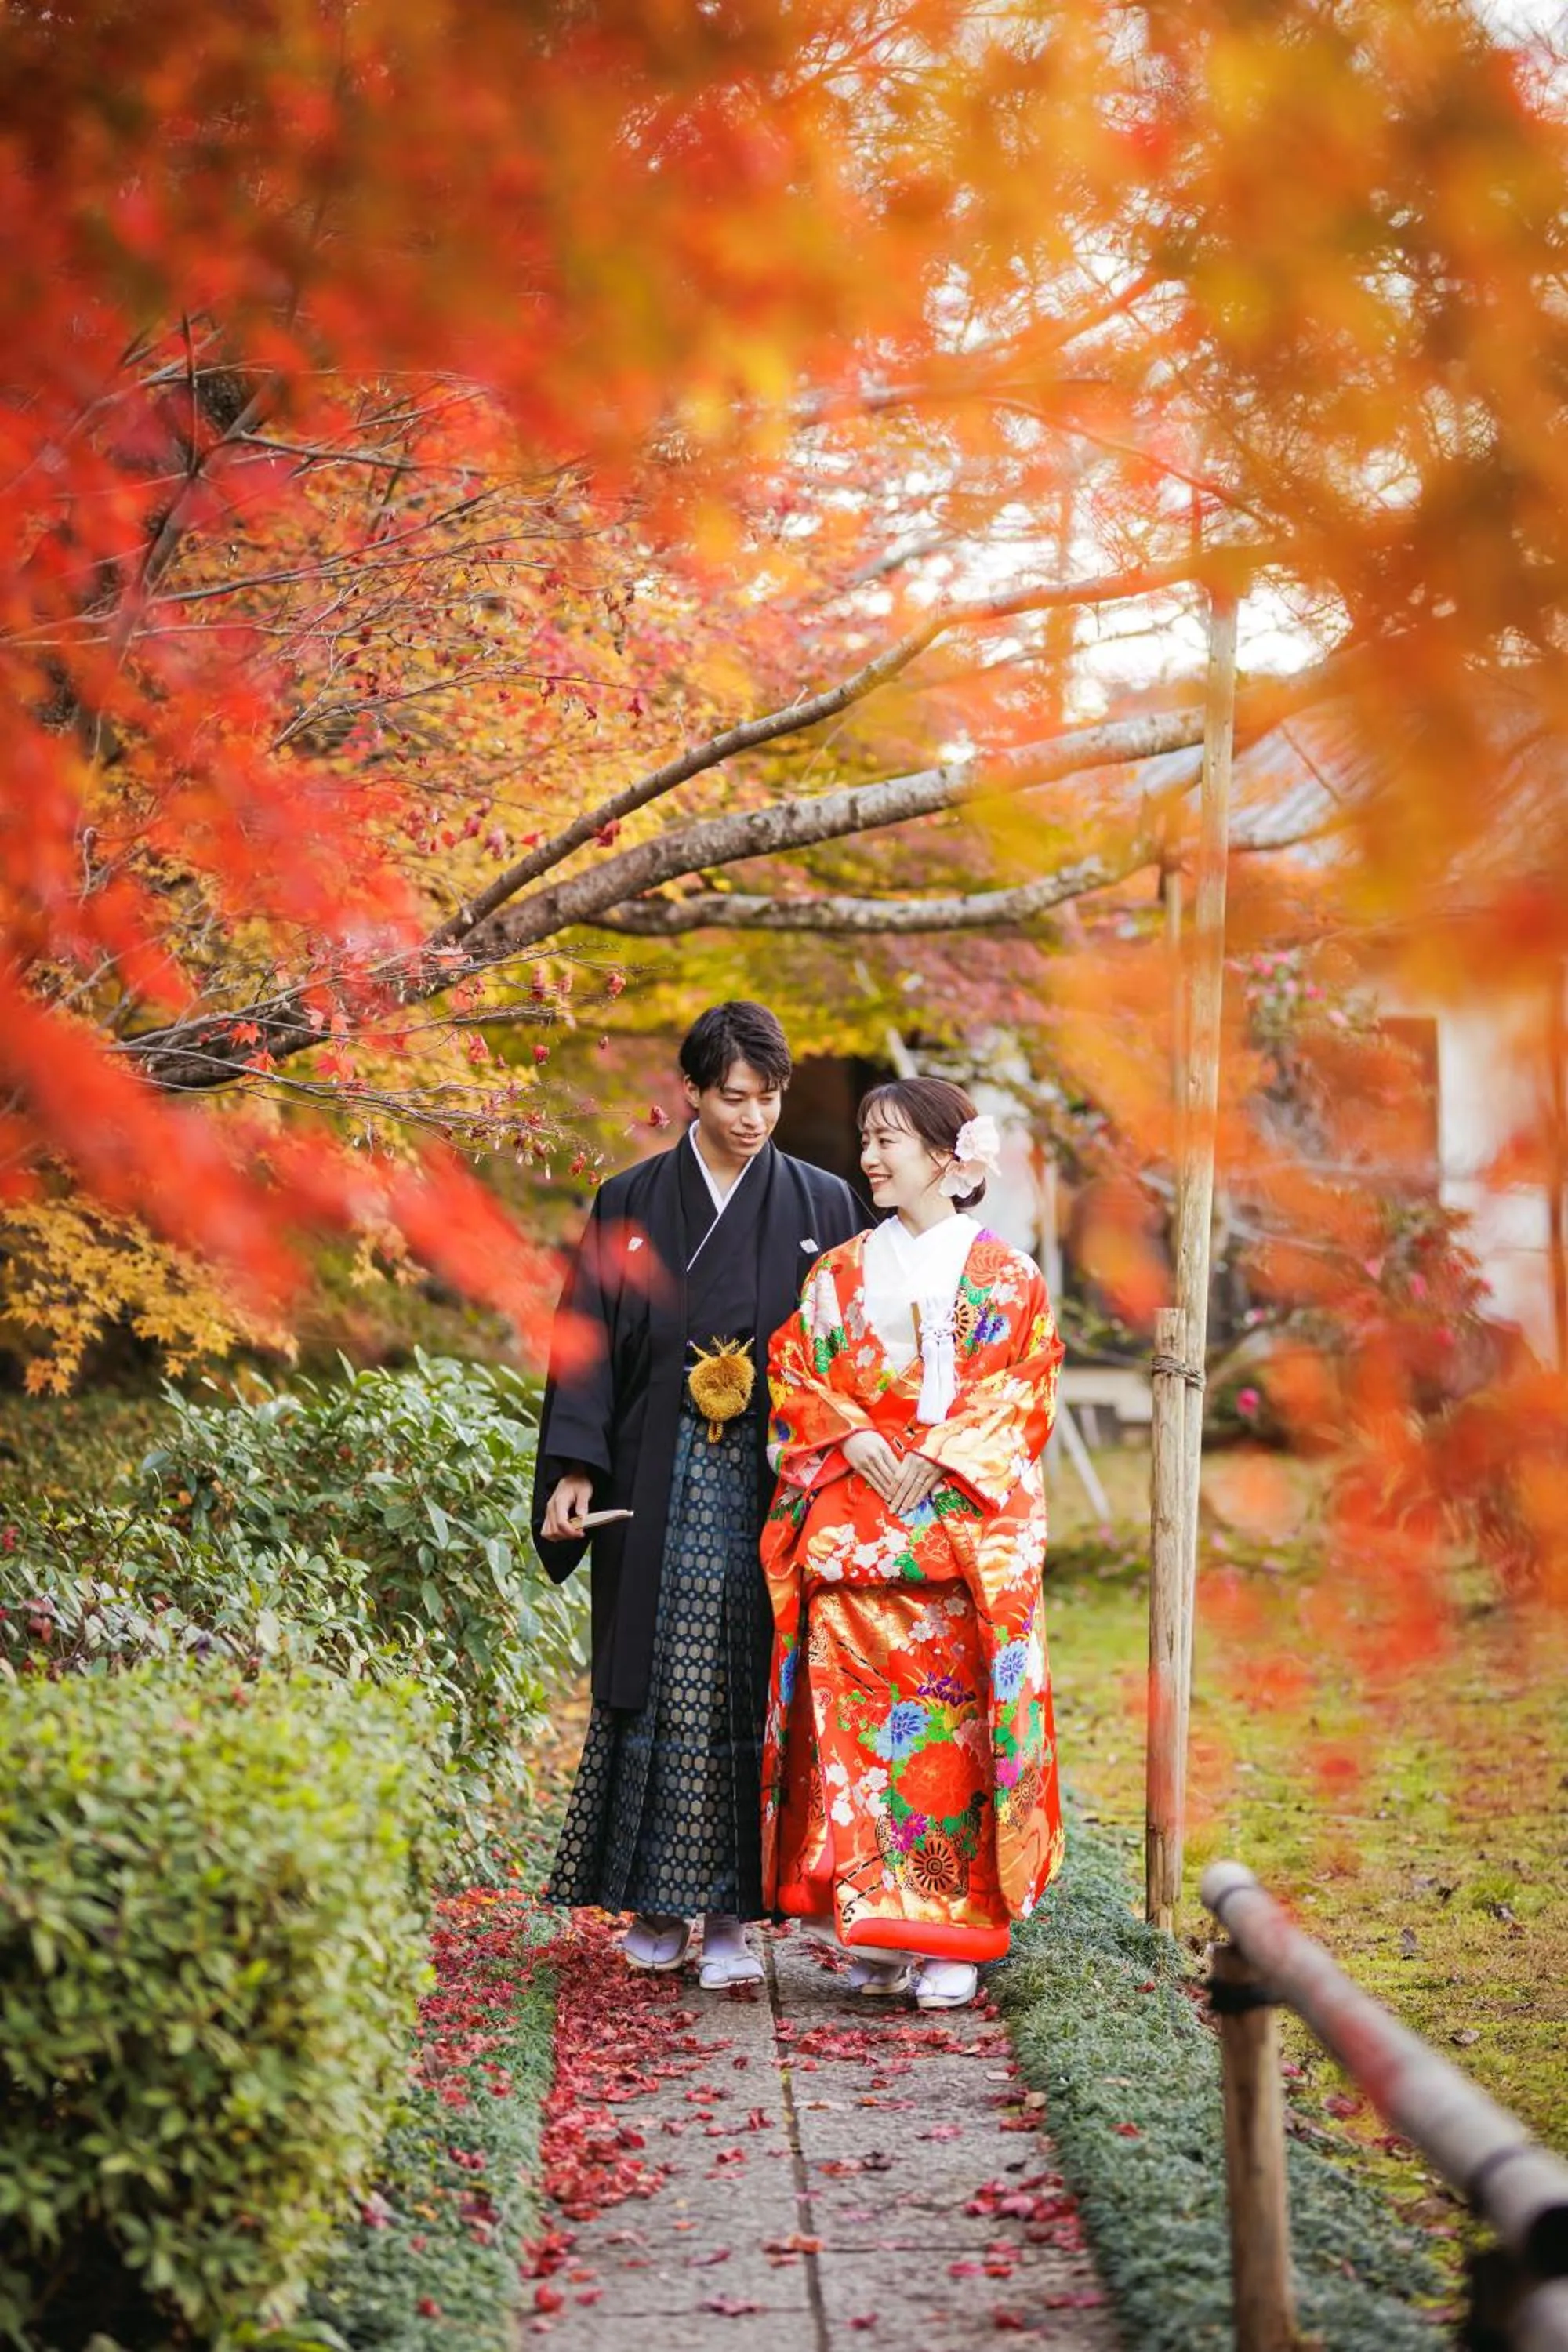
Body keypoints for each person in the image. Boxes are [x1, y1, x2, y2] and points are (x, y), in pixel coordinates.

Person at [532, 1002, 868, 1987]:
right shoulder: (629, 1199)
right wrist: (575, 1467)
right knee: (660, 1678)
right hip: (656, 1469)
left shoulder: (822, 1203)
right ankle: (655, 1899)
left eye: (769, 1098)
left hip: (772, 1480)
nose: (753, 1117)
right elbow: (584, 1338)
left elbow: (852, 1355)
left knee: (747, 1684)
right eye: (732, 1097)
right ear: (689, 1091)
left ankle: (730, 1914)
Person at [760, 1077, 1065, 2010]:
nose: (868, 1157)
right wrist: (852, 1435)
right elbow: (793, 1368)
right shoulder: (838, 1273)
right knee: (856, 1742)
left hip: (955, 1538)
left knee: (953, 1738)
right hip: (855, 1529)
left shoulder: (1006, 1277)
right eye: (865, 1137)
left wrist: (935, 1457)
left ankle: (952, 1935)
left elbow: (1022, 1388)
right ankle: (878, 1926)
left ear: (944, 1155)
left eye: (887, 1140)